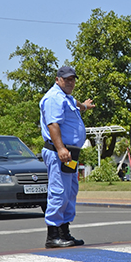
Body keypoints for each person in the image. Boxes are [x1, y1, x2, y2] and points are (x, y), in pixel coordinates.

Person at [40, 64, 95, 249]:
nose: (70, 82)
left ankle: (64, 232)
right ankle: (53, 235)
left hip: (69, 155)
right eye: (66, 79)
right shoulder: (53, 98)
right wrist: (61, 148)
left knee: (70, 192)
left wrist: (84, 106)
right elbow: (53, 124)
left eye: (73, 79)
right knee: (59, 192)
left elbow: (75, 106)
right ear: (58, 80)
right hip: (59, 154)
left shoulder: (66, 97)